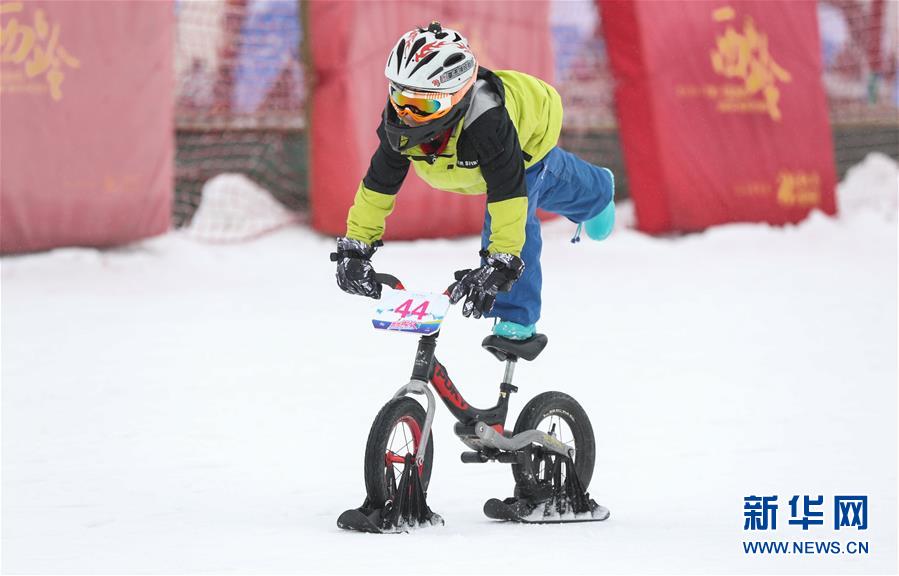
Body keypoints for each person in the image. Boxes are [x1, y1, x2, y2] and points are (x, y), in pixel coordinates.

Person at [332, 22, 615, 340]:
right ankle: (596, 191)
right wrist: (356, 247)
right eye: (400, 97)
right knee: (543, 186)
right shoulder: (401, 124)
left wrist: (501, 264)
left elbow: (508, 197)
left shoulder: (488, 123)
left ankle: (517, 315)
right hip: (466, 164)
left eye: (424, 105)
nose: (408, 114)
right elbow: (377, 187)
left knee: (524, 198)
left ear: (456, 98)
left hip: (527, 133)